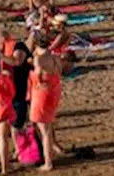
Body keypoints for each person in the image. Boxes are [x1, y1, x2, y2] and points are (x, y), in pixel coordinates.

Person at [30, 33, 64, 170]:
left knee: (43, 129)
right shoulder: (55, 57)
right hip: (54, 90)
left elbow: (37, 77)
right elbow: (58, 73)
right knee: (48, 126)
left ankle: (48, 161)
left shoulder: (39, 59)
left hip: (42, 93)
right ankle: (49, 152)